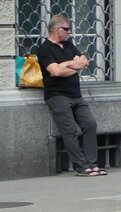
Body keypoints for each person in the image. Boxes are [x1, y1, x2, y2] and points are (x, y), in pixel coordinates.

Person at [36, 14, 105, 176]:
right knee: (69, 131)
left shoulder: (68, 45)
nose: (69, 32)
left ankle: (92, 164)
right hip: (57, 96)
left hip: (76, 95)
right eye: (66, 29)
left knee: (90, 124)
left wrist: (66, 66)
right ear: (56, 30)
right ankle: (81, 167)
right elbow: (55, 71)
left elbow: (84, 61)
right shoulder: (45, 49)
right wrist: (73, 65)